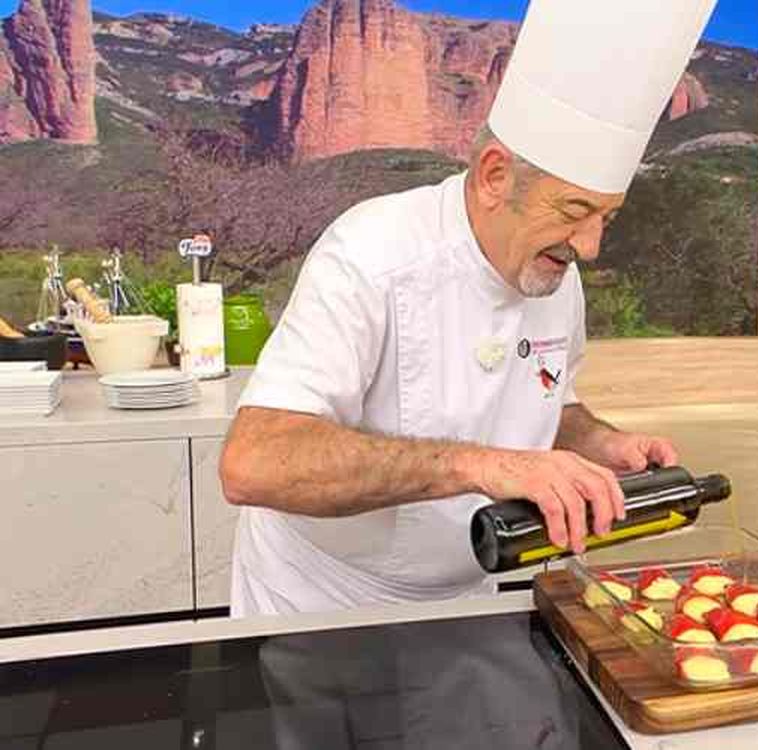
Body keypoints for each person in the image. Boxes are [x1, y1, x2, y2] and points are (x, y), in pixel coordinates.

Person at [220, 0, 718, 617]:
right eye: (573, 212)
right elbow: (255, 463)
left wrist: (602, 443)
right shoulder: (371, 252)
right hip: (322, 602)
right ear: (493, 175)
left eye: (606, 217)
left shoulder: (555, 275)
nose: (590, 247)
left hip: (469, 593)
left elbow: (543, 400)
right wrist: (480, 464)